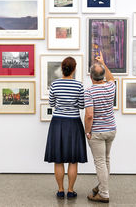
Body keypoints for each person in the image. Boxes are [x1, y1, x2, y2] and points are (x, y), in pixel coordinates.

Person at [44, 57, 87, 199]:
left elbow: (51, 103)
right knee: (73, 159)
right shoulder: (79, 86)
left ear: (62, 69)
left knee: (58, 159)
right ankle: (70, 190)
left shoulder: (54, 84)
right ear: (74, 69)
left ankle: (60, 190)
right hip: (74, 123)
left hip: (57, 123)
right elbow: (81, 106)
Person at [84, 51, 116, 203]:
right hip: (111, 129)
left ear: (91, 77)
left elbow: (89, 115)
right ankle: (101, 186)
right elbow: (111, 77)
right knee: (106, 160)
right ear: (102, 76)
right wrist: (103, 63)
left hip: (97, 132)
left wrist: (87, 131)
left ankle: (103, 193)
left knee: (100, 162)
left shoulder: (89, 91)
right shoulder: (110, 87)